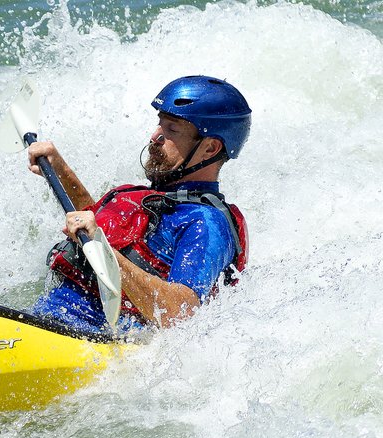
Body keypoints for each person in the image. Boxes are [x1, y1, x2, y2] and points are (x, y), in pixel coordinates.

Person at [27, 75, 251, 336]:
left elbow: (179, 313)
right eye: (160, 124)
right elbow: (100, 228)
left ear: (210, 148)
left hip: (93, 344)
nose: (155, 136)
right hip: (44, 322)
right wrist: (60, 169)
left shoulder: (205, 223)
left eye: (172, 130)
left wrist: (102, 247)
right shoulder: (150, 197)